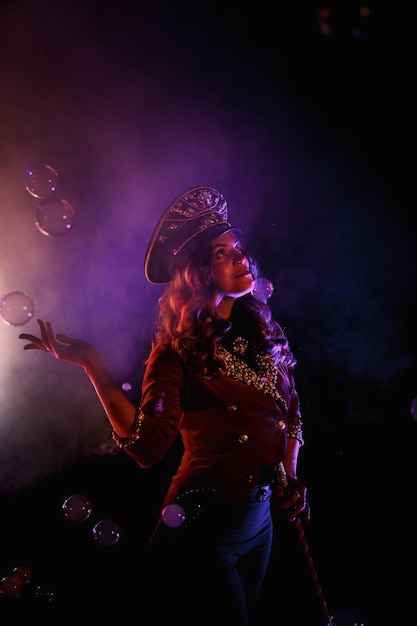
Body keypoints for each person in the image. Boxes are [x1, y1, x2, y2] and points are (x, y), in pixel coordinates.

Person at [19, 186, 310, 625]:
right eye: (220, 253)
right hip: (204, 528)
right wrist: (91, 363)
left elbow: (290, 415)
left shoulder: (265, 333)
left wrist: (290, 478)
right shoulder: (175, 351)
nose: (239, 257)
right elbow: (148, 446)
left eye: (237, 247)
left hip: (261, 524)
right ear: (197, 273)